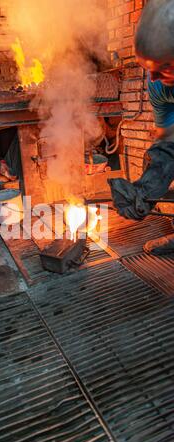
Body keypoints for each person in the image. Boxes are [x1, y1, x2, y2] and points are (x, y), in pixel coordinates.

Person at [112, 0, 174, 255]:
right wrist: (146, 190)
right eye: (148, 68)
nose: (153, 78)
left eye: (165, 67)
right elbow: (169, 138)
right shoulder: (159, 85)